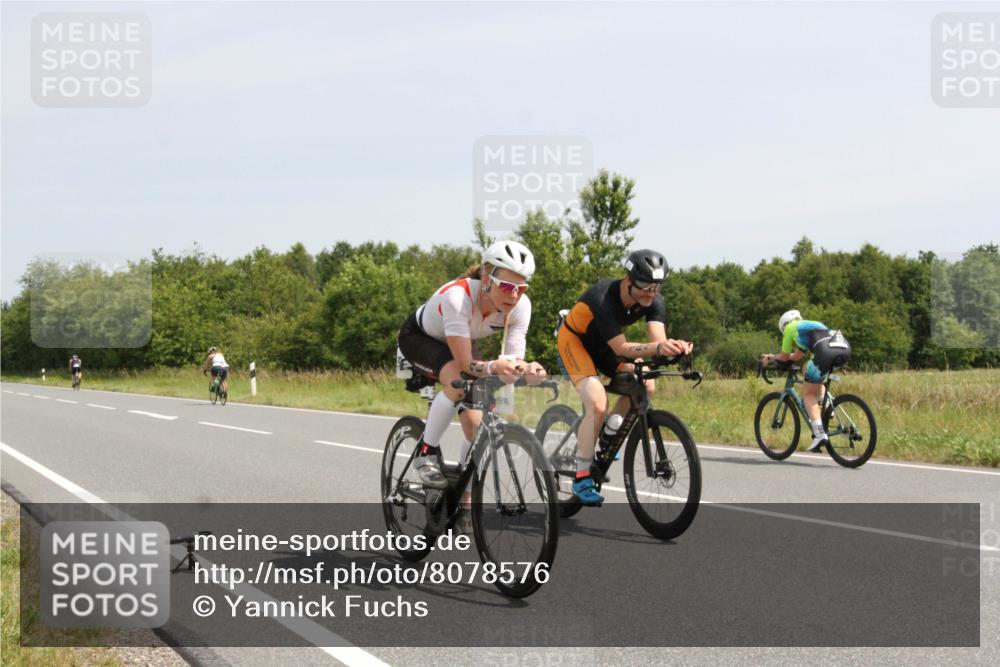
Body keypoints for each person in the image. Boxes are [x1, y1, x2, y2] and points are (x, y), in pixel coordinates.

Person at [397, 240, 547, 491]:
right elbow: (466, 364)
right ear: (487, 278)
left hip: (462, 341)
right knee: (458, 383)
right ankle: (426, 452)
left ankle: (463, 493)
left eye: (521, 288)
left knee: (475, 426)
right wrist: (493, 367)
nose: (514, 295)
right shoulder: (458, 297)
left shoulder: (521, 307)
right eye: (508, 286)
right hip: (422, 338)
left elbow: (512, 360)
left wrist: (527, 369)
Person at [556, 249, 693, 506]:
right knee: (597, 403)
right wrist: (658, 349)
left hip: (606, 347)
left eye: (656, 286)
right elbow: (621, 348)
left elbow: (657, 343)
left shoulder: (654, 301)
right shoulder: (603, 297)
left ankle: (611, 431)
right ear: (628, 280)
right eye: (644, 285)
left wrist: (674, 349)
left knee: (646, 384)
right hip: (576, 343)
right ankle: (582, 474)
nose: (650, 292)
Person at [761, 310, 853, 452]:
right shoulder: (809, 327)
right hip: (843, 348)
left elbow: (785, 357)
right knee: (807, 368)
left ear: (784, 326)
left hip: (825, 351)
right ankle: (826, 403)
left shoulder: (790, 329)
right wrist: (775, 356)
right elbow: (797, 356)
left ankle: (819, 433)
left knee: (808, 395)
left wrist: (772, 358)